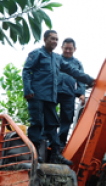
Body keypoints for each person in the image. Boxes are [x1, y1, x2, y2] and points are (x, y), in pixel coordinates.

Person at [22, 30, 94, 166]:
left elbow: (73, 71)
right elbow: (26, 70)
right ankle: (34, 155)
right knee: (37, 123)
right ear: (45, 39)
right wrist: (28, 90)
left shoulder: (57, 58)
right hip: (37, 95)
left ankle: (56, 154)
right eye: (52, 39)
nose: (54, 42)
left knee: (52, 124)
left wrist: (90, 80)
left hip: (50, 97)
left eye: (56, 39)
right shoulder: (36, 54)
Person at [57, 38, 86, 147]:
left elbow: (81, 79)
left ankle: (60, 143)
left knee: (67, 118)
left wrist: (81, 93)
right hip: (53, 92)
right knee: (48, 115)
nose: (68, 51)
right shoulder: (55, 59)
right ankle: (46, 140)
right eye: (66, 48)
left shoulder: (77, 63)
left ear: (74, 49)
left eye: (70, 49)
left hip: (69, 94)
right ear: (62, 48)